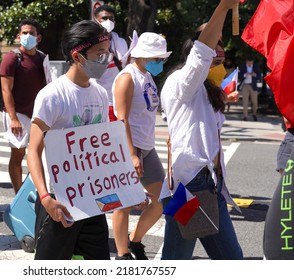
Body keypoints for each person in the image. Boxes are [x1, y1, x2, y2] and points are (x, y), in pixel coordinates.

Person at [160, 0, 243, 260]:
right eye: (214, 46)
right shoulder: (183, 81)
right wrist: (223, 8)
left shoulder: (206, 89)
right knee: (175, 260)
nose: (219, 53)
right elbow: (201, 53)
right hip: (188, 186)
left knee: (231, 260)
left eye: (221, 48)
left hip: (210, 184)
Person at [26, 20, 112, 260]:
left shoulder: (101, 93)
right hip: (59, 201)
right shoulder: (53, 95)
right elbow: (32, 150)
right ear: (78, 56)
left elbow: (103, 147)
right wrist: (45, 198)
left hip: (93, 199)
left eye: (108, 52)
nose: (106, 59)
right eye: (100, 53)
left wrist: (125, 190)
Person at [111, 32, 171, 260]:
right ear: (143, 56)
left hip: (147, 147)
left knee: (162, 200)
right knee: (123, 203)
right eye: (157, 58)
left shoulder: (147, 76)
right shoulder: (128, 77)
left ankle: (135, 241)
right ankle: (122, 253)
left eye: (162, 59)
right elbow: (122, 118)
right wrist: (132, 154)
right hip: (130, 148)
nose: (160, 63)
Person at [0, 18, 47, 194]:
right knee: (18, 154)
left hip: (37, 115)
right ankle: (18, 193)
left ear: (39, 37)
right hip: (17, 114)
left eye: (31, 33)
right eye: (24, 33)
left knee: (38, 153)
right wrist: (13, 118)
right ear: (18, 36)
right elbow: (6, 91)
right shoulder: (12, 58)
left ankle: (37, 191)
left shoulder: (42, 58)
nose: (28, 36)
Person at [93, 4, 128, 121]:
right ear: (95, 20)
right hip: (97, 101)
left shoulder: (121, 43)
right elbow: (91, 74)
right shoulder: (89, 43)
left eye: (111, 19)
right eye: (104, 18)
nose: (108, 21)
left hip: (118, 100)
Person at [239, 56, 261, 121]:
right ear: (246, 61)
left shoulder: (255, 67)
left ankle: (254, 114)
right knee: (245, 101)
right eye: (249, 62)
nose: (250, 63)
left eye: (251, 62)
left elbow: (259, 77)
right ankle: (245, 116)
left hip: (253, 86)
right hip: (245, 85)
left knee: (254, 102)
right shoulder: (243, 66)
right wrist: (244, 75)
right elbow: (239, 75)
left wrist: (255, 75)